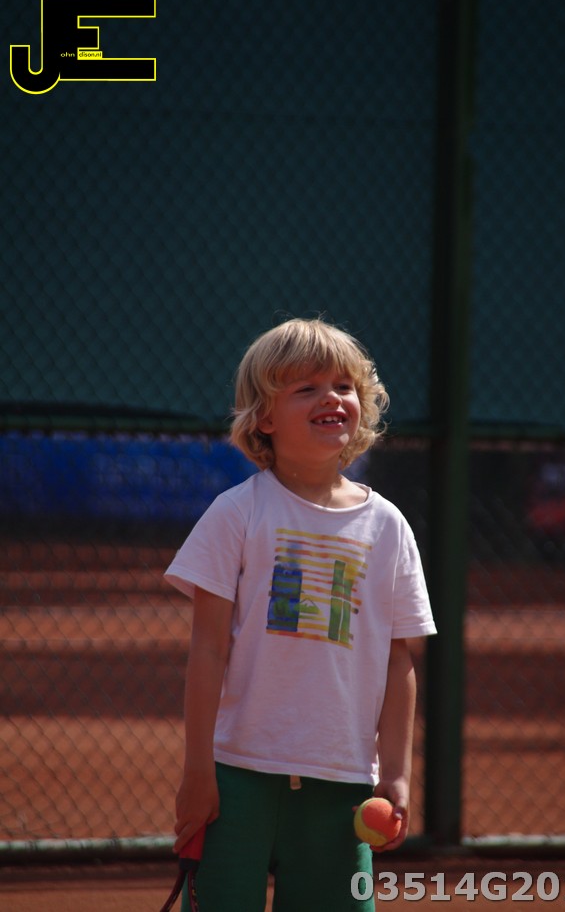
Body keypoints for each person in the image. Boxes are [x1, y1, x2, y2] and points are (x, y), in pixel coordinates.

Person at [165, 317, 436, 911]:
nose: (331, 398)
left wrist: (395, 774)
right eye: (306, 388)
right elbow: (207, 649)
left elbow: (398, 661)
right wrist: (198, 773)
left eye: (344, 386)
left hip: (343, 787)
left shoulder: (389, 527)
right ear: (264, 417)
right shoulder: (235, 513)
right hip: (236, 776)